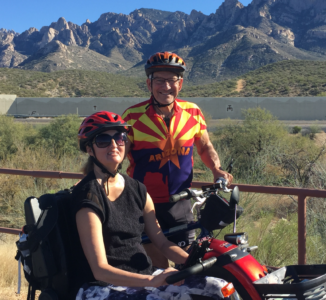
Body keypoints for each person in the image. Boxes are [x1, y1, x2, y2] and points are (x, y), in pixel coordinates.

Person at [71, 111, 228, 300]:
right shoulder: (88, 197)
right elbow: (100, 270)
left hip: (141, 276)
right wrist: (151, 281)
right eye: (103, 140)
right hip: (101, 286)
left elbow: (161, 241)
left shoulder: (137, 189)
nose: (114, 145)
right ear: (90, 149)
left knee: (218, 287)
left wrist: (194, 262)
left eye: (119, 138)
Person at [122, 51, 233, 269]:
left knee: (190, 266)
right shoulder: (132, 117)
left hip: (181, 203)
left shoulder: (193, 111)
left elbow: (205, 146)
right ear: (149, 83)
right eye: (159, 80)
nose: (166, 86)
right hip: (144, 204)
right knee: (159, 271)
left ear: (179, 84)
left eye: (172, 80)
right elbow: (117, 156)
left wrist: (217, 170)